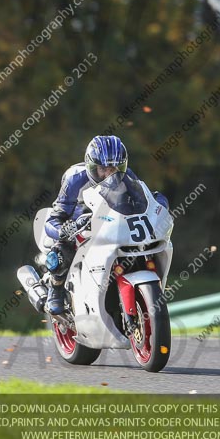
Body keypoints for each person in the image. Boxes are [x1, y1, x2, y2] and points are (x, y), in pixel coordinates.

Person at [40, 135, 168, 315]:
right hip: (81, 225)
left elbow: (144, 199)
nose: (109, 174)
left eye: (115, 168)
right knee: (60, 254)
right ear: (91, 166)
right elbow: (54, 218)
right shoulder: (74, 179)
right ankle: (56, 288)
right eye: (103, 169)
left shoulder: (126, 176)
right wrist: (64, 230)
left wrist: (159, 204)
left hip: (112, 224)